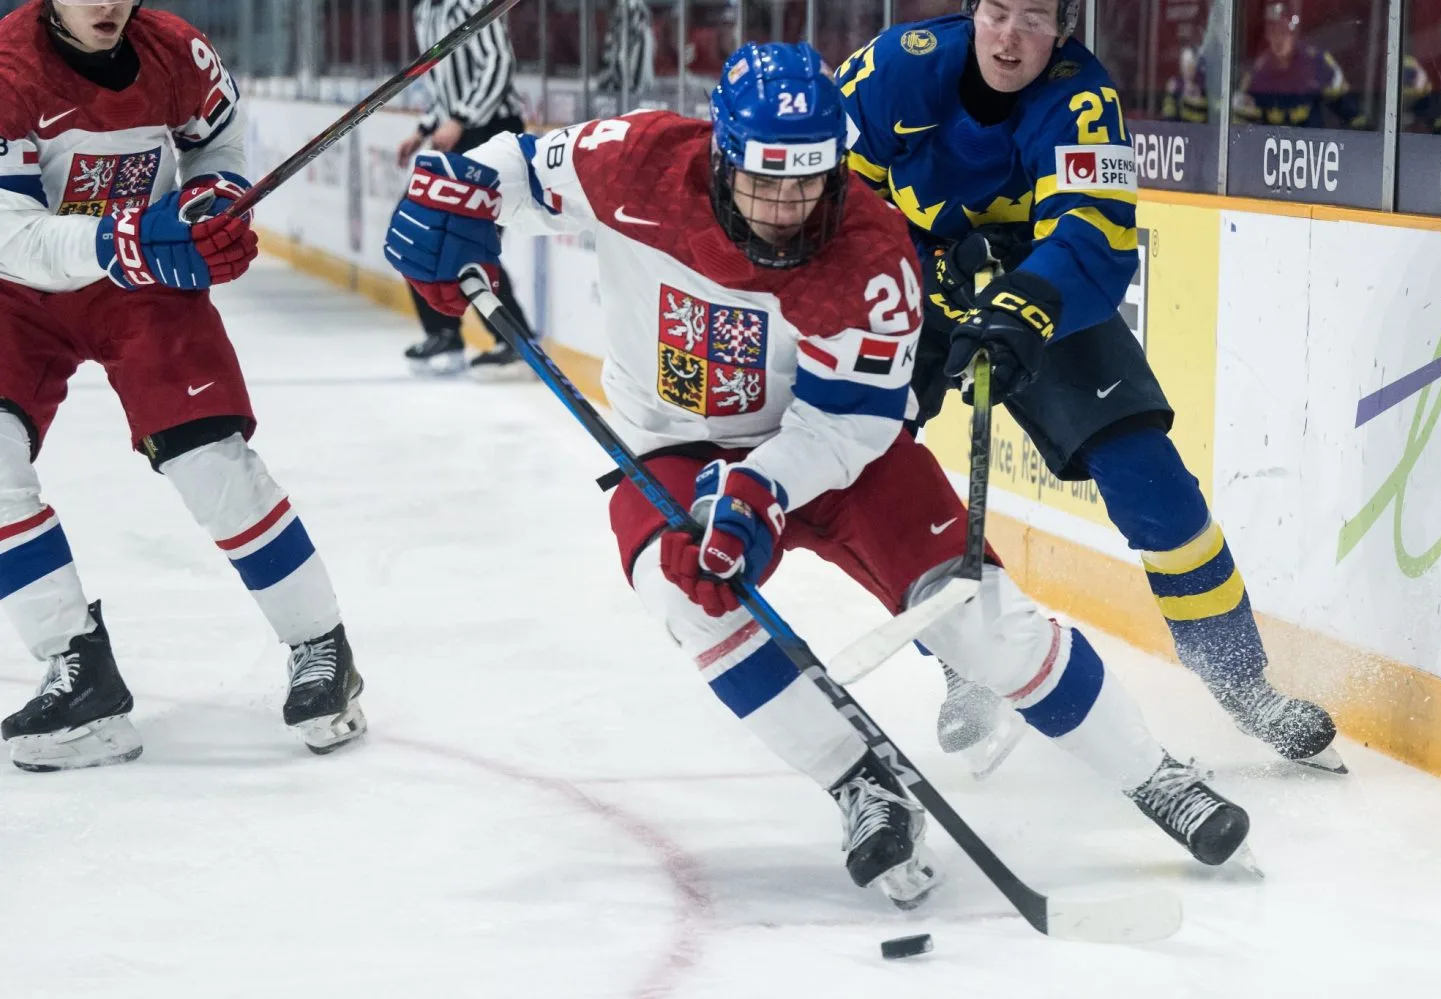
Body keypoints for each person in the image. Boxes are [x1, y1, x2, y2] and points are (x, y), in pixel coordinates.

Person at [383, 41, 1253, 904]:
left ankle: (1153, 775)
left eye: (808, 183)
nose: (785, 208)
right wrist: (452, 190)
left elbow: (849, 424)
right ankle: (858, 784)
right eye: (764, 181)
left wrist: (762, 490)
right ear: (719, 156)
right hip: (676, 443)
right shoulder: (639, 160)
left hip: (831, 451)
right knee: (684, 587)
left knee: (979, 620)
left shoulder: (873, 259)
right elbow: (520, 169)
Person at [836, 0, 1343, 774]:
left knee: (1149, 475)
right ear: (972, 11)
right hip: (902, 284)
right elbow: (832, 198)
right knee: (874, 465)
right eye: (997, 11)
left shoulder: (1083, 99)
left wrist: (1020, 301)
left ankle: (1246, 685)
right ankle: (967, 657)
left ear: (1064, 31)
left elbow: (1094, 238)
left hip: (1036, 290)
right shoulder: (895, 68)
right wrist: (914, 263)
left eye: (1033, 19)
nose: (1009, 37)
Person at [0, 0, 366, 770]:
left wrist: (207, 196)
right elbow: (14, 236)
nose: (106, 4)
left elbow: (217, 139)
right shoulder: (6, 68)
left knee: (210, 460)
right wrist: (126, 237)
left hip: (140, 283)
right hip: (20, 291)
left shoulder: (179, 53)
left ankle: (320, 643)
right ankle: (80, 674)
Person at [394, 0, 536, 379]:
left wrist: (461, 119)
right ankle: (444, 333)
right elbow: (445, 84)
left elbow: (498, 63)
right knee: (416, 231)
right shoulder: (426, 9)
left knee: (466, 240)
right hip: (458, 129)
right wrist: (424, 128)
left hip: (492, 128)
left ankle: (516, 343)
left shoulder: (470, 2)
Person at [1233, 0, 1367, 130]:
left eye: (1284, 31)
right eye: (1273, 31)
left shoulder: (1318, 63)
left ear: (1294, 33)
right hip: (1271, 150)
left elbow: (1352, 115)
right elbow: (1240, 127)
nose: (1279, 39)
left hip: (1313, 149)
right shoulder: (1257, 73)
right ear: (1267, 35)